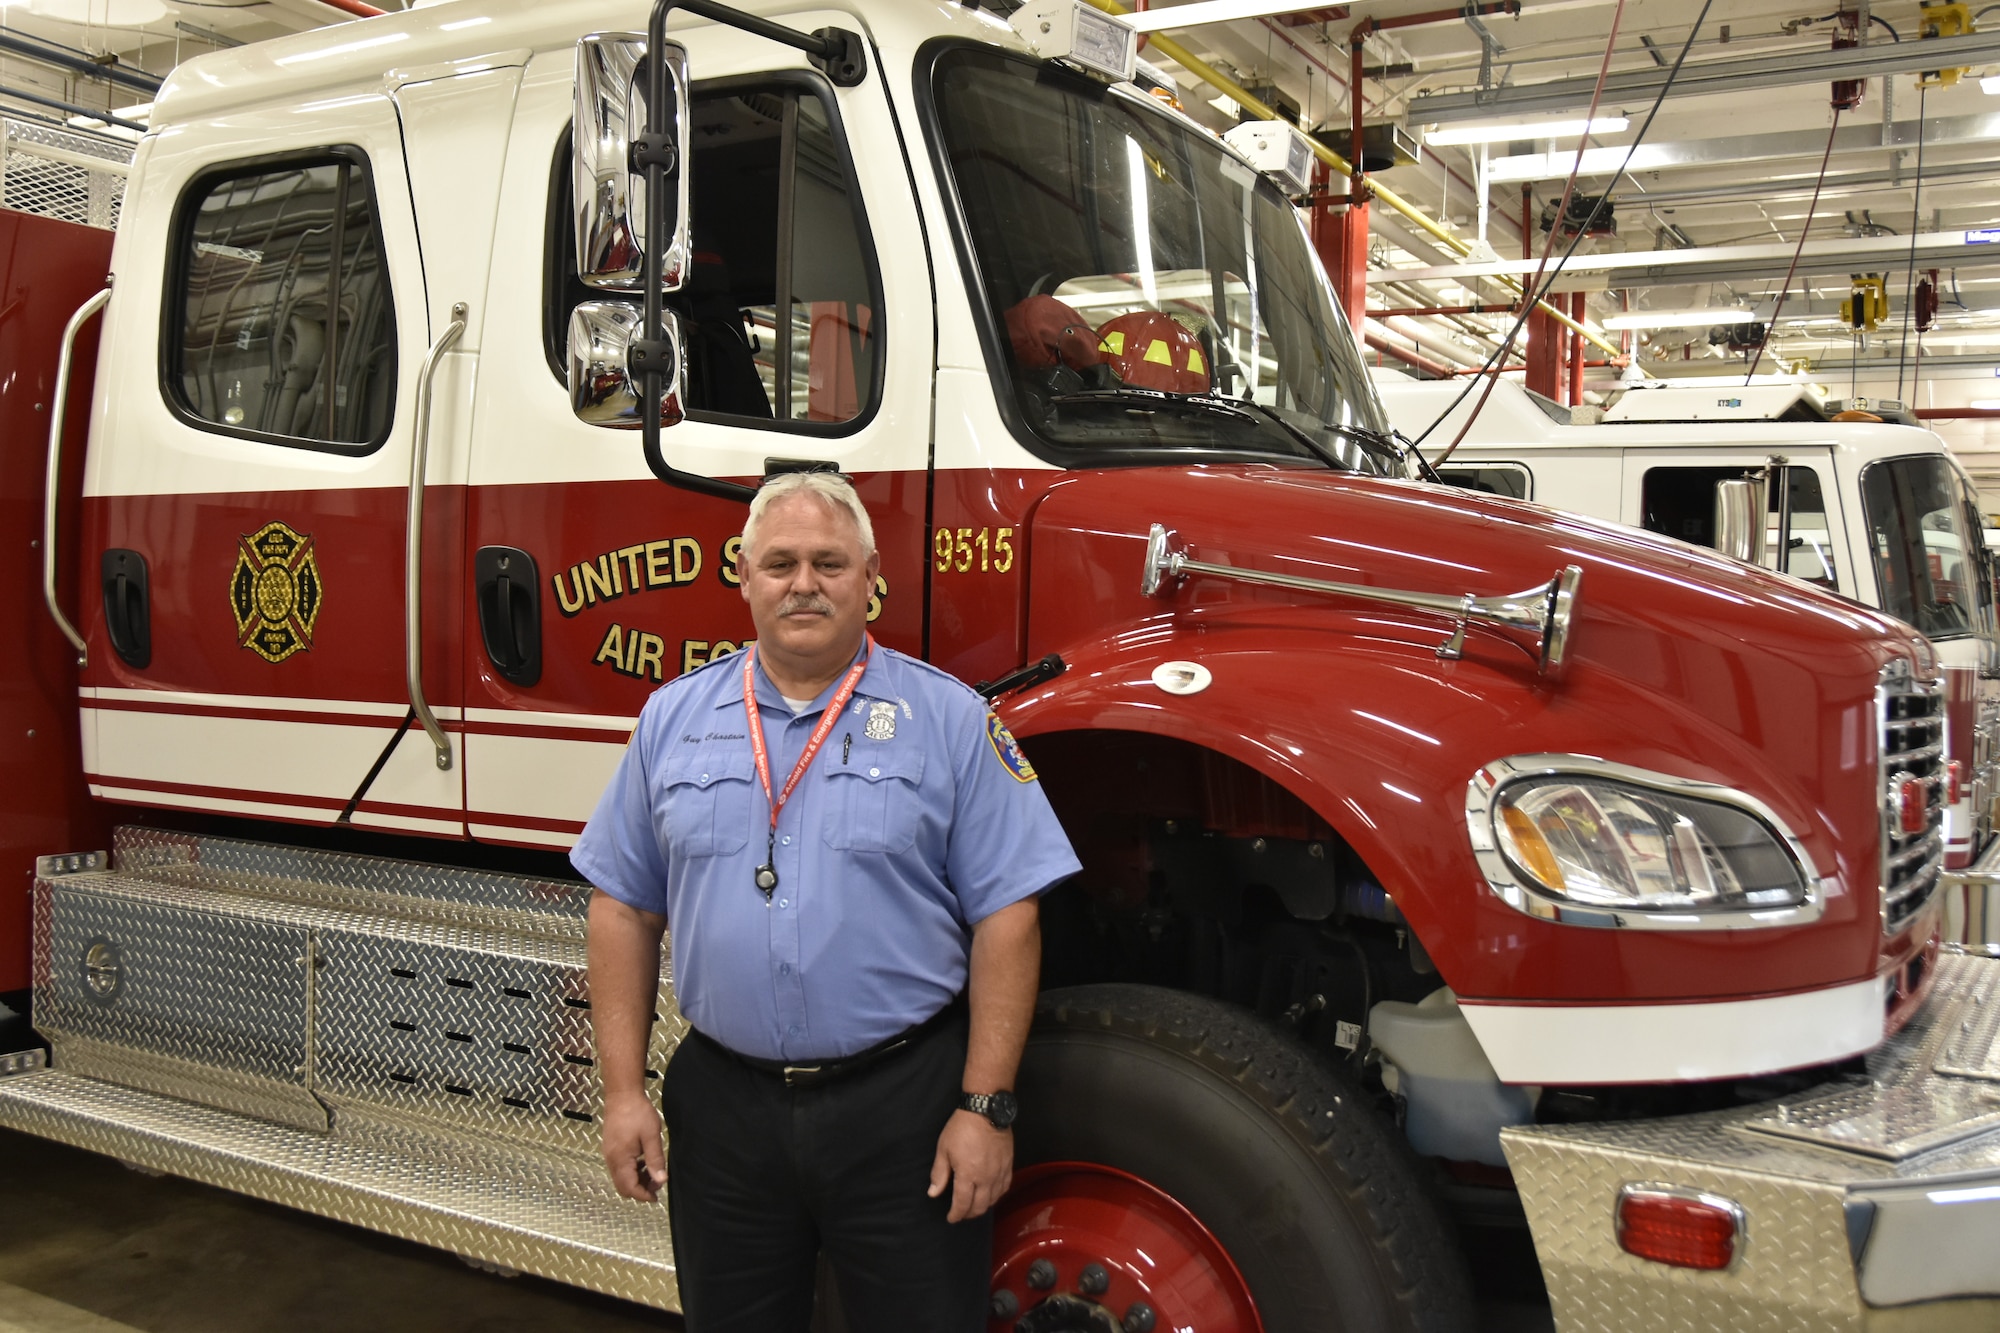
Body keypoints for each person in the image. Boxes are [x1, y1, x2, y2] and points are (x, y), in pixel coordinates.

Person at [574, 470, 1080, 1332]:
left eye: (828, 562)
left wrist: (985, 1106)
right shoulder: (672, 719)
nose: (803, 582)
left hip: (903, 1111)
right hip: (725, 1112)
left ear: (871, 576)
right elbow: (622, 906)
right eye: (779, 563)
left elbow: (1010, 914)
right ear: (742, 575)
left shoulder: (950, 720)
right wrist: (624, 1092)